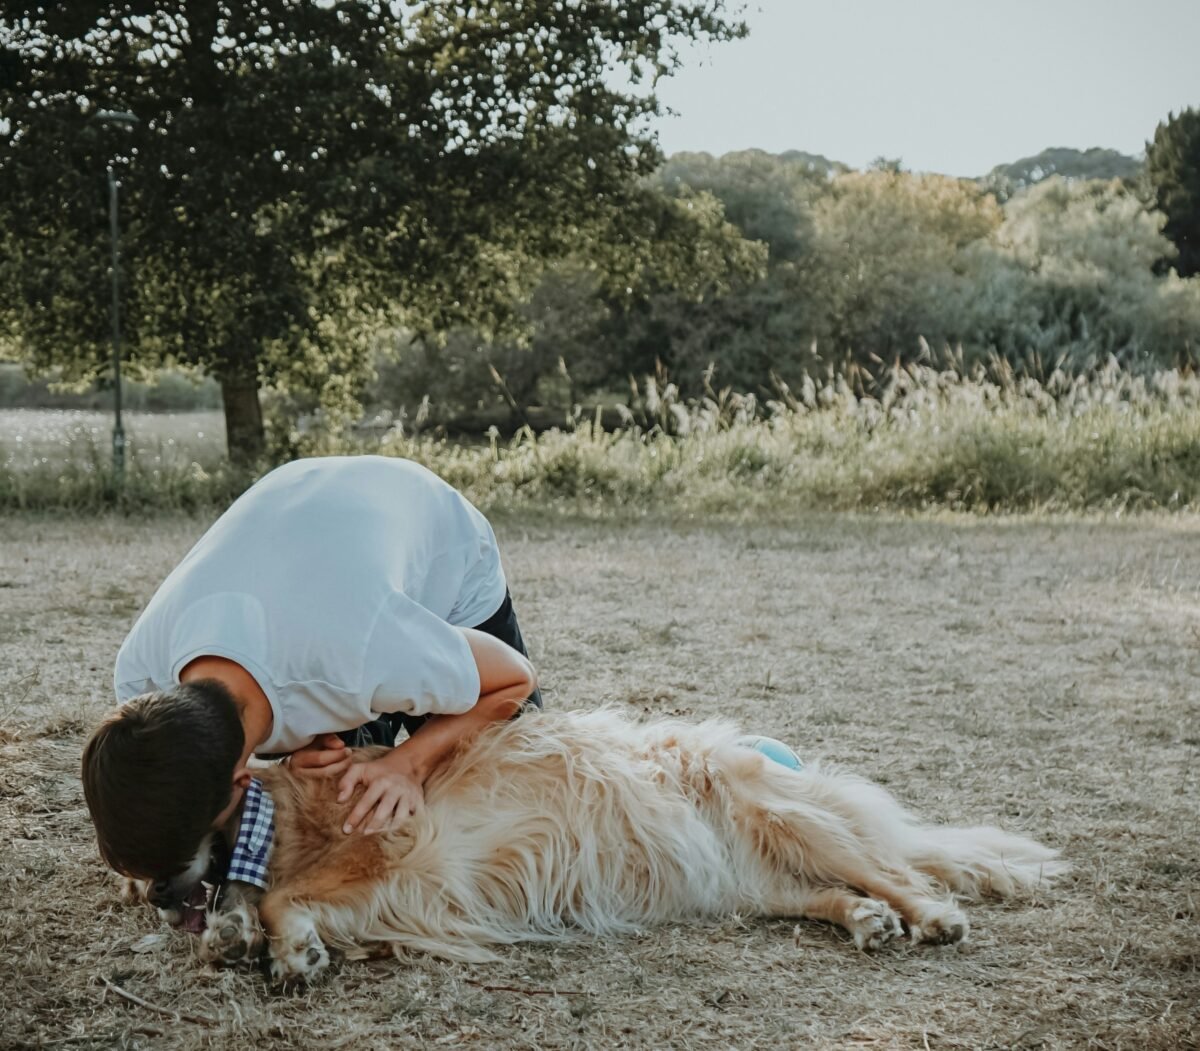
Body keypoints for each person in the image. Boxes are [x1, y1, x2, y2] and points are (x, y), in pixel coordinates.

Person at [82, 455, 539, 884]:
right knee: (345, 799)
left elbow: (514, 678)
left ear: (244, 782)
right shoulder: (141, 677)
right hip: (308, 527)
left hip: (429, 529)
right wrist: (289, 755)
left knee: (505, 782)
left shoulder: (357, 653)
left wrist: (409, 763)